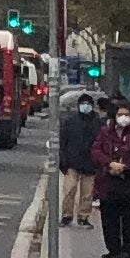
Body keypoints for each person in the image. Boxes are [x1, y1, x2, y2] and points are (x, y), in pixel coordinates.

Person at [99, 100, 130, 258]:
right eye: (120, 115)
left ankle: (128, 250)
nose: (123, 118)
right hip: (109, 181)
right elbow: (96, 151)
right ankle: (113, 248)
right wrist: (109, 163)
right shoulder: (106, 132)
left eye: (127, 115)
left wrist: (125, 166)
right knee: (109, 218)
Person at [58, 89, 100, 231]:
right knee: (69, 190)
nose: (85, 106)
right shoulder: (70, 121)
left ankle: (83, 217)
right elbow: (63, 141)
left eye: (88, 104)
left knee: (87, 193)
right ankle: (66, 216)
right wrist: (62, 160)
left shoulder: (98, 122)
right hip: (72, 162)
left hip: (90, 164)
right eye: (83, 103)